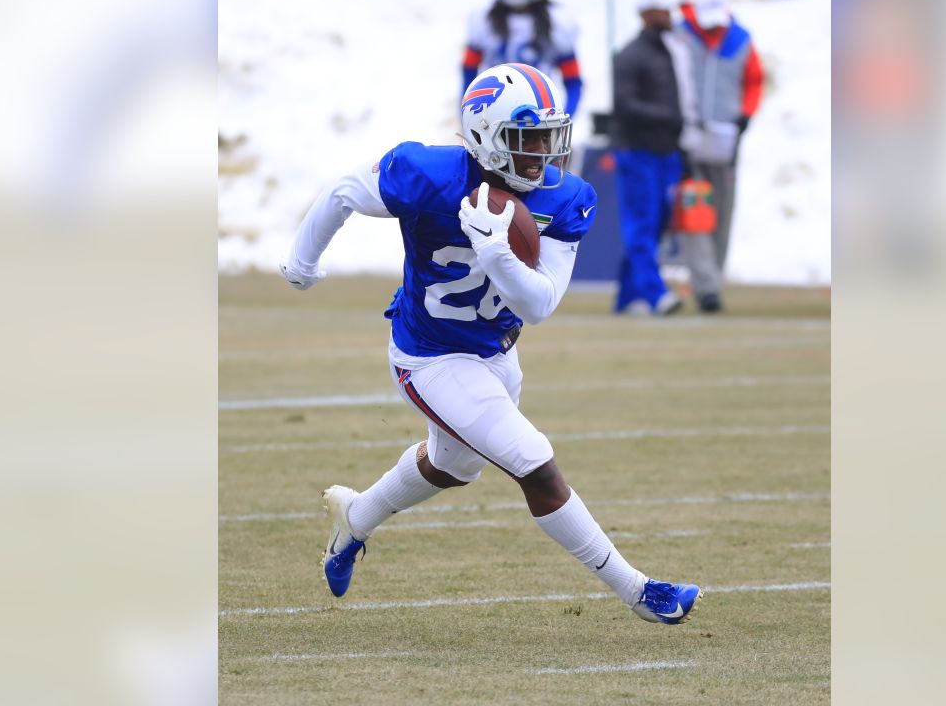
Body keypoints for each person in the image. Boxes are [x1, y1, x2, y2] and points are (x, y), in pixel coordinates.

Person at [280, 63, 700, 625]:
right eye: (527, 141)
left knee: (453, 466)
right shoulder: (425, 173)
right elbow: (343, 192)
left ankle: (355, 518)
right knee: (536, 464)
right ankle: (640, 591)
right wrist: (303, 261)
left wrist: (498, 252)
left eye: (549, 139)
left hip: (497, 352)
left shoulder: (566, 196)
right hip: (428, 355)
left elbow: (539, 304)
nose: (541, 155)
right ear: (484, 136)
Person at [675, 0, 764, 312]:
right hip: (689, 138)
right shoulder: (681, 35)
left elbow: (755, 80)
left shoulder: (741, 40)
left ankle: (713, 276)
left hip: (726, 141)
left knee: (722, 212)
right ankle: (706, 286)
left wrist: (746, 116)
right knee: (694, 211)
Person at [610, 0, 686, 316]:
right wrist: (667, 115)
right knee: (642, 223)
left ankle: (627, 296)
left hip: (666, 151)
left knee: (657, 223)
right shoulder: (630, 54)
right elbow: (624, 104)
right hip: (638, 150)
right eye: (663, 11)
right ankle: (656, 294)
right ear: (647, 14)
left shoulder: (669, 50)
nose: (669, 17)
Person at [463, 0, 584, 117]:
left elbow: (573, 80)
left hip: (540, 113)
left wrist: (566, 116)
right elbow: (468, 73)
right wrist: (469, 115)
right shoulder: (483, 18)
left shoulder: (558, 20)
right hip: (494, 113)